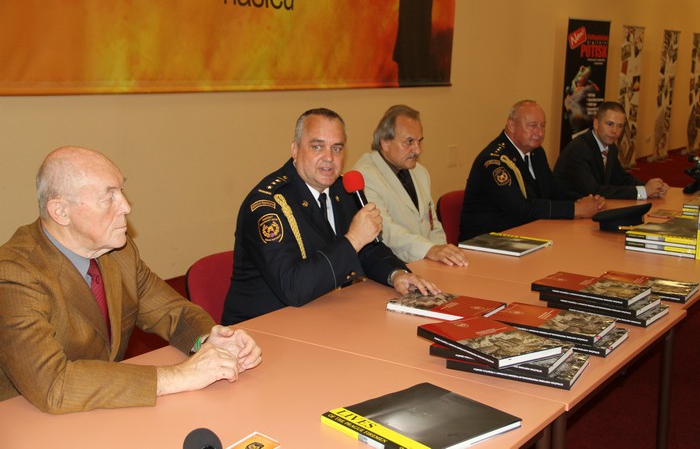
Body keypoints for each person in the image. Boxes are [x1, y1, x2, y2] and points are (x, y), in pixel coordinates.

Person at [0, 147, 262, 414]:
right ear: (61, 212)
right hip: (26, 419)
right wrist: (178, 376)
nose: (126, 206)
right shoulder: (14, 273)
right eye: (109, 197)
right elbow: (53, 385)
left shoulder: (119, 253)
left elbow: (175, 314)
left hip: (104, 410)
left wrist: (207, 342)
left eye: (121, 191)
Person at [222, 108, 440, 325]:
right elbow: (293, 287)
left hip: (322, 315)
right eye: (317, 146)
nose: (329, 158)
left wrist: (397, 274)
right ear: (295, 150)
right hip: (260, 327)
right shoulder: (268, 205)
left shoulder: (343, 190)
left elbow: (368, 250)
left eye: (337, 148)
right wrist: (353, 239)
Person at [459, 100, 606, 241]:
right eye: (532, 126)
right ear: (511, 125)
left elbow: (554, 190)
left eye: (543, 126)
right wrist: (575, 209)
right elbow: (521, 209)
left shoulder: (536, 153)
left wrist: (586, 201)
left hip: (526, 233)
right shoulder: (494, 162)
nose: (540, 133)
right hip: (488, 241)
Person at [352, 104, 467, 266]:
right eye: (409, 142)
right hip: (391, 267)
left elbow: (433, 224)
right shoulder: (365, 176)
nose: (417, 150)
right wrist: (430, 250)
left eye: (419, 141)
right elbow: (386, 231)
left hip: (426, 262)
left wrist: (443, 254)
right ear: (385, 142)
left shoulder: (420, 171)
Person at [554, 101, 670, 200]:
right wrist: (643, 192)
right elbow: (593, 191)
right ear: (596, 123)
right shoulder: (578, 150)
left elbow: (621, 178)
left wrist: (651, 188)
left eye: (620, 126)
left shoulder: (611, 147)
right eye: (610, 124)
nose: (615, 131)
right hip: (566, 212)